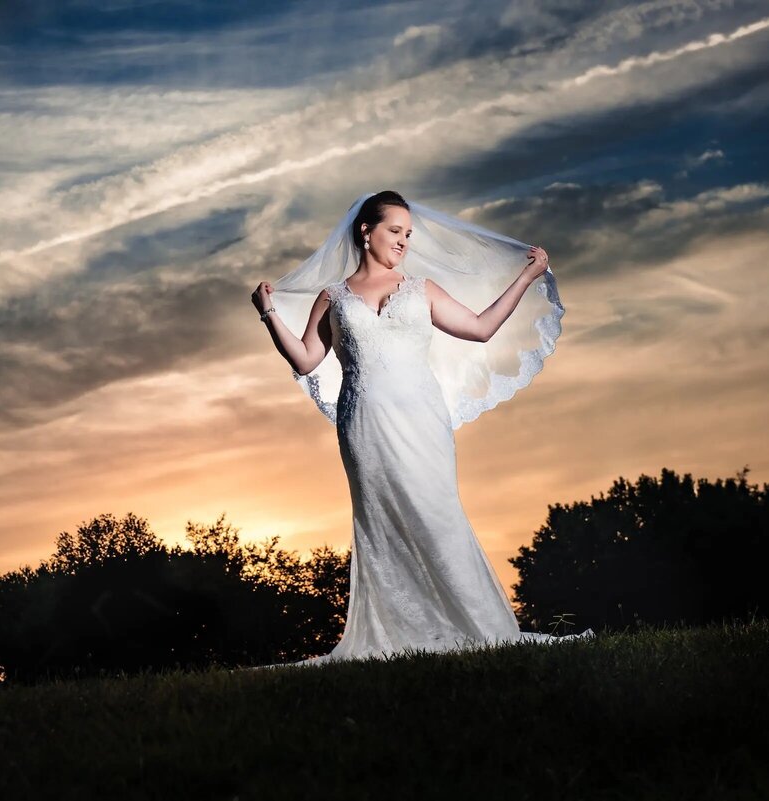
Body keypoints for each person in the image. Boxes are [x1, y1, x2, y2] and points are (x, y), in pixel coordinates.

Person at [247, 190, 594, 670]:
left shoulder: (421, 289)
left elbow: (479, 328)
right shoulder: (334, 297)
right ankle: (399, 634)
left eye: (409, 234)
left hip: (422, 422)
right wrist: (268, 314)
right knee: (382, 525)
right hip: (364, 424)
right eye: (395, 231)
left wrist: (527, 276)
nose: (404, 242)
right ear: (366, 232)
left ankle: (485, 629)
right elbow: (307, 359)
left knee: (438, 514)